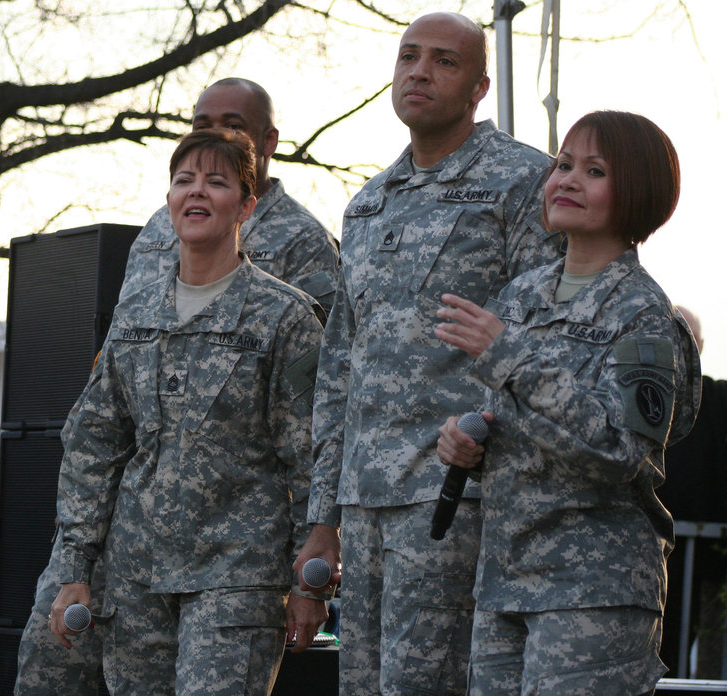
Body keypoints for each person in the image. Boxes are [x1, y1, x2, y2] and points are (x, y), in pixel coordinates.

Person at [14, 78, 338, 696]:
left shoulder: (287, 317)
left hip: (236, 576)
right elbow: (94, 442)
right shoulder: (137, 311)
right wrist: (76, 566)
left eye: (217, 182)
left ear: (248, 205)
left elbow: (314, 453)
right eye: (185, 180)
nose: (198, 192)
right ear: (168, 199)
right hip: (137, 575)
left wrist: (309, 582)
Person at [294, 12, 562, 696]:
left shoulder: (523, 183)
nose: (419, 71)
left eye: (443, 61)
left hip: (455, 497)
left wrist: (485, 434)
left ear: (479, 87)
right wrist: (323, 518)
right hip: (365, 502)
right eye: (408, 56)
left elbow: (548, 335)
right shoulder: (368, 205)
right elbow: (339, 373)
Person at [434, 110, 702, 695]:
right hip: (503, 579)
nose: (568, 180)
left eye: (595, 170)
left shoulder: (644, 316)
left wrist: (511, 359)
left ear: (639, 190)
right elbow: (511, 418)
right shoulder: (522, 295)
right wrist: (464, 442)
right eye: (563, 164)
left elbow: (618, 449)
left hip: (593, 591)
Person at [119, 77, 339, 315]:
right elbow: (125, 322)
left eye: (234, 127)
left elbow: (318, 341)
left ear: (268, 141)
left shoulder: (305, 239)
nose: (215, 138)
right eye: (203, 128)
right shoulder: (161, 224)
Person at [657, 306, 727, 678]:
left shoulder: (717, 403)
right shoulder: (634, 397)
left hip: (708, 564)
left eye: (686, 342)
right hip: (646, 561)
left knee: (708, 669)